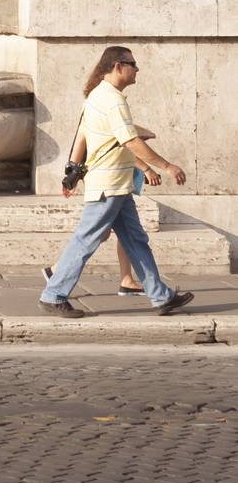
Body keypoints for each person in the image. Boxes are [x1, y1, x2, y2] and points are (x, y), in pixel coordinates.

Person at [39, 45, 194, 318]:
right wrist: (166, 165)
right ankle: (53, 295)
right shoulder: (112, 100)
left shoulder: (98, 96)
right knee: (86, 240)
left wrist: (72, 173)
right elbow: (130, 141)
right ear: (118, 66)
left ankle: (161, 296)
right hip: (108, 185)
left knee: (135, 240)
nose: (137, 69)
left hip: (117, 185)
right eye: (133, 63)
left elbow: (85, 136)